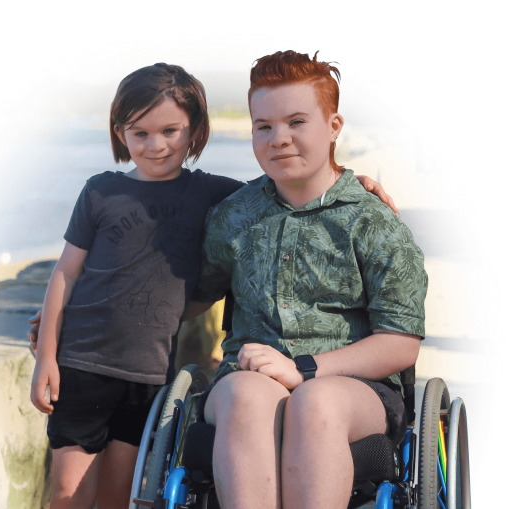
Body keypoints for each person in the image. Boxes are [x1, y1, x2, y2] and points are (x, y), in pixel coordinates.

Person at [29, 61, 399, 509]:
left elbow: (291, 183)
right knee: (73, 492)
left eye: (171, 131)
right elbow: (88, 276)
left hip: (171, 377)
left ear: (194, 131)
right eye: (263, 125)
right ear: (120, 130)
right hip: (108, 364)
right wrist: (57, 330)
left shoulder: (227, 198)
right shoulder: (124, 194)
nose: (156, 145)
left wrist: (351, 184)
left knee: (117, 495)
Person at [183, 50, 428, 509]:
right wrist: (75, 315)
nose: (279, 139)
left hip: (354, 387)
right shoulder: (232, 217)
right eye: (264, 126)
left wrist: (305, 369)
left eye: (297, 121)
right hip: (249, 375)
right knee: (247, 396)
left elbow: (400, 343)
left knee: (314, 403)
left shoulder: (372, 223)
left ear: (334, 127)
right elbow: (186, 299)